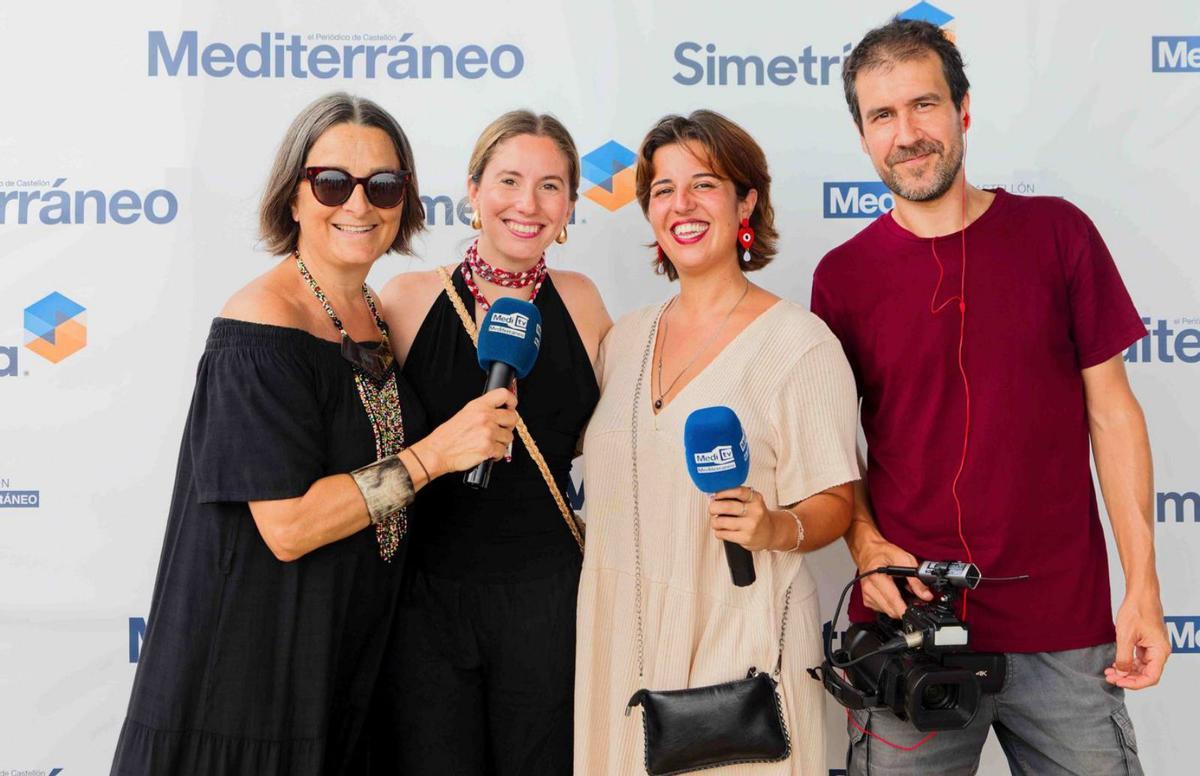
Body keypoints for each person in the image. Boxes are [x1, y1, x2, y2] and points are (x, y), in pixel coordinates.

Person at [109, 92, 518, 776]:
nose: (358, 205)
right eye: (332, 182)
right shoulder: (261, 328)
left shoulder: (369, 315)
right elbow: (289, 525)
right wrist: (434, 455)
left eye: (382, 185)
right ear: (292, 198)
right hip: (250, 683)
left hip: (337, 666)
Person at [811, 18, 1169, 776]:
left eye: (924, 105)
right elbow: (831, 450)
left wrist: (1142, 585)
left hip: (1064, 632)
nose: (907, 133)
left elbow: (1115, 413)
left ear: (964, 110)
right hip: (909, 630)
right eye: (883, 116)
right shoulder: (841, 277)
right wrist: (867, 546)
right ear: (863, 135)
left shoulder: (1058, 233)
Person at [574, 110, 859, 775]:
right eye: (664, 189)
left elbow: (836, 503)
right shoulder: (622, 340)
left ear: (746, 200)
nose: (683, 205)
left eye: (704, 184)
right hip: (621, 648)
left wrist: (775, 525)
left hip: (741, 649)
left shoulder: (800, 344)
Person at [377, 110, 611, 775]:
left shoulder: (585, 302)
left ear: (569, 205)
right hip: (427, 599)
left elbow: (626, 443)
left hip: (549, 598)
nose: (527, 204)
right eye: (509, 180)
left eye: (550, 186)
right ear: (474, 191)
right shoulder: (406, 299)